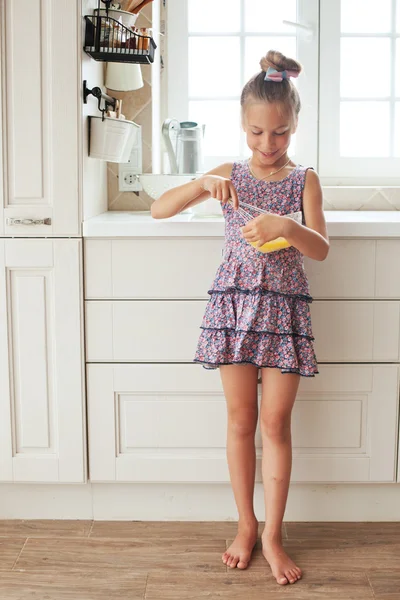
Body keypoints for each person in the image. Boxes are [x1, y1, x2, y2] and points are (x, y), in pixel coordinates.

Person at [151, 50, 329, 586]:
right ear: (243, 124)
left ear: (293, 127)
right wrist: (203, 184)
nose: (267, 145)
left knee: (275, 425)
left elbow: (320, 249)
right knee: (239, 422)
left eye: (279, 134)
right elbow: (159, 209)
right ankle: (245, 525)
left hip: (282, 314)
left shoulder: (304, 179)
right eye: (256, 132)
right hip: (233, 309)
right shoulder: (227, 173)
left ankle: (274, 533)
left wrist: (288, 226)